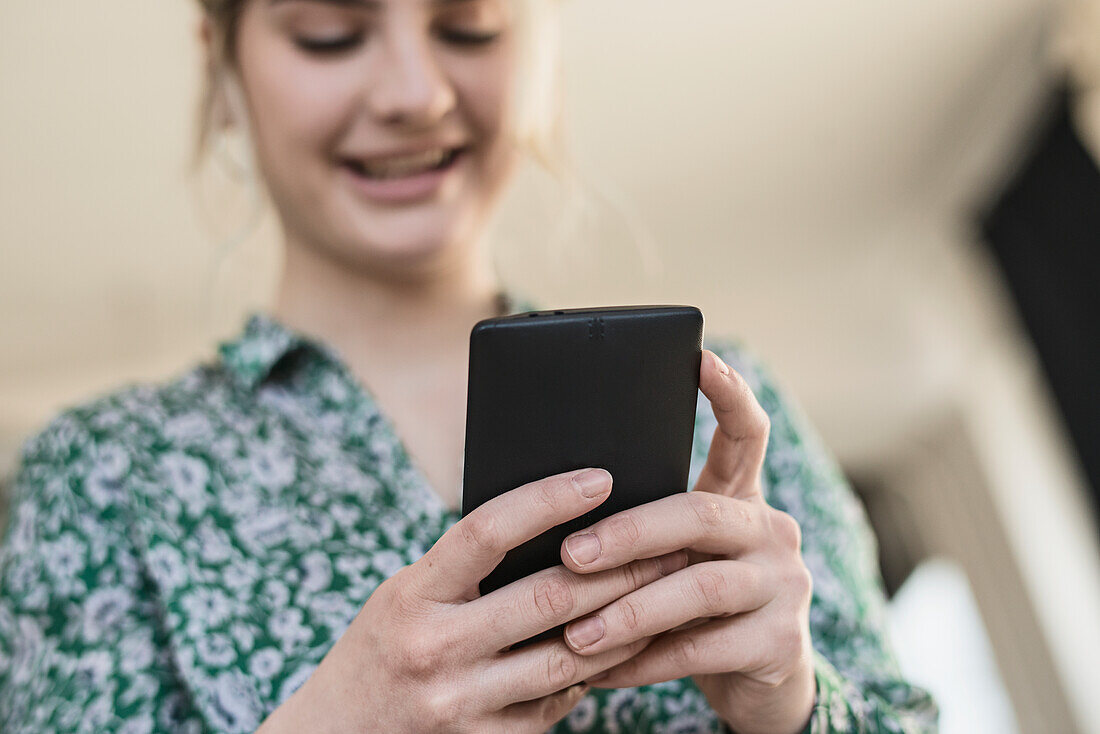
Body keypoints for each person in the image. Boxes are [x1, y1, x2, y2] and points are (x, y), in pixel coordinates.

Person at [0, 0, 938, 732]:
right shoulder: (102, 473)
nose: (414, 90)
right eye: (330, 33)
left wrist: (795, 708)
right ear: (223, 65)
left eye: (470, 25)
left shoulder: (719, 411)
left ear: (543, 47)